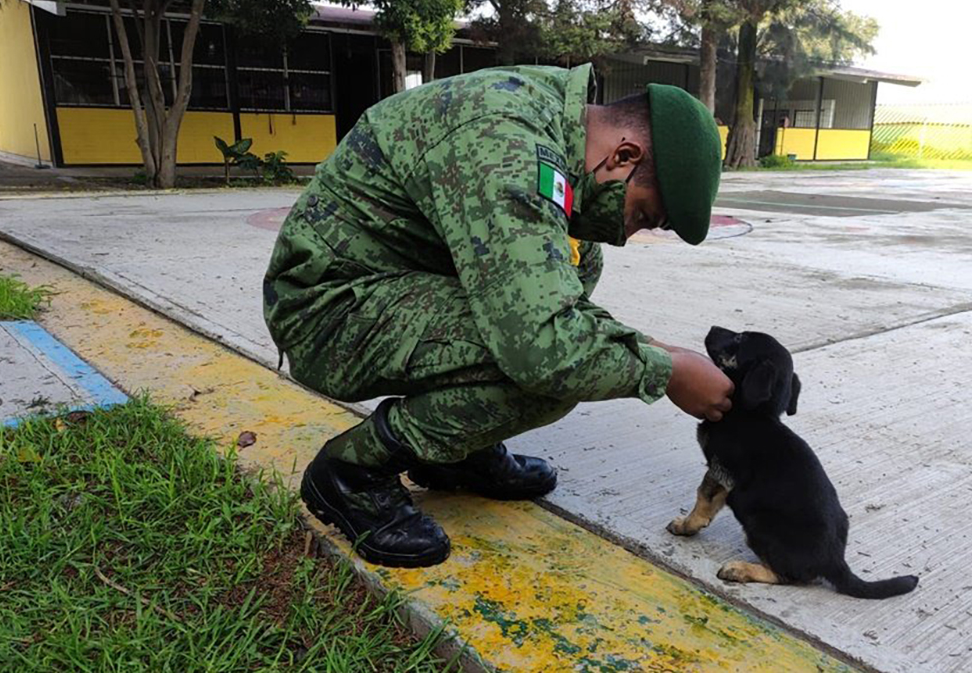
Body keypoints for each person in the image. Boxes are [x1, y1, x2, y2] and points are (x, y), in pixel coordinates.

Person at [263, 63, 733, 568]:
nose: (625, 233)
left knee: (579, 262)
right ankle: (350, 473)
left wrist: (663, 349)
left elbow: (553, 302)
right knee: (552, 371)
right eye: (640, 214)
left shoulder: (552, 118)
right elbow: (543, 342)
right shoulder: (509, 143)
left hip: (387, 286)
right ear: (623, 156)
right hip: (327, 312)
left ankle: (454, 451)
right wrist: (667, 373)